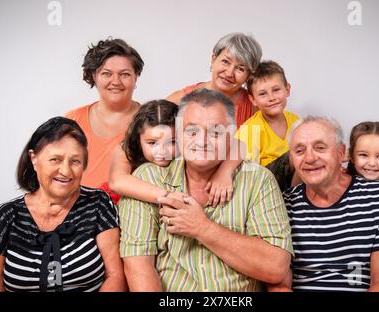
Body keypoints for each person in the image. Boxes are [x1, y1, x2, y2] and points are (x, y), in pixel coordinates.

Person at [119, 88, 293, 291]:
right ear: (178, 132)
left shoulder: (258, 180)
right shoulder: (148, 179)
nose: (202, 142)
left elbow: (276, 267)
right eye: (192, 131)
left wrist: (202, 228)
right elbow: (138, 266)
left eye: (215, 133)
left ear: (231, 135)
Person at [0, 117, 126, 292]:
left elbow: (116, 277)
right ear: (34, 159)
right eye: (55, 159)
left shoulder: (99, 202)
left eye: (75, 161)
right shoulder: (5, 215)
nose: (65, 171)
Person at [280, 116, 379, 291]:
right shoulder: (282, 204)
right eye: (299, 151)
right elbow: (279, 284)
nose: (310, 158)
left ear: (341, 153)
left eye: (320, 148)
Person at [65, 37, 143, 188]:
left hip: (130, 209)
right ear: (94, 76)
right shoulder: (72, 121)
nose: (116, 81)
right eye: (107, 73)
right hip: (80, 209)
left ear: (136, 76)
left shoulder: (151, 122)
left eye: (125, 74)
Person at [166, 32, 262, 128]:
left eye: (240, 69)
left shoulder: (255, 107)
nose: (229, 73)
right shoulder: (179, 101)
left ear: (249, 75)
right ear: (213, 59)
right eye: (225, 62)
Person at [105, 99, 178, 205]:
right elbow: (116, 182)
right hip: (119, 201)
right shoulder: (127, 148)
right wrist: (168, 197)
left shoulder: (187, 151)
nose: (162, 151)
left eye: (171, 142)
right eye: (152, 143)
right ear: (138, 139)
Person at [236, 60, 299, 167]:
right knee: (294, 157)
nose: (271, 98)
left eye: (276, 90)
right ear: (253, 99)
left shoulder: (296, 121)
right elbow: (250, 173)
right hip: (265, 181)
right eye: (263, 94)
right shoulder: (250, 130)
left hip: (299, 178)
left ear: (287, 90)